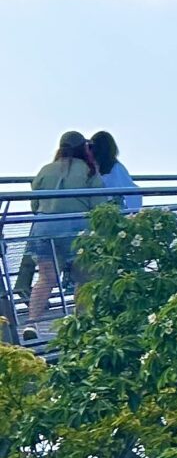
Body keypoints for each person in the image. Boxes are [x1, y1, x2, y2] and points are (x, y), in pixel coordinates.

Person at [17, 131, 99, 323]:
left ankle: (32, 323)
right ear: (83, 148)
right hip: (77, 231)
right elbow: (98, 204)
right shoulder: (89, 170)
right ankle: (81, 323)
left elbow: (35, 205)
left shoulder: (45, 169)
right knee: (84, 279)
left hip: (43, 229)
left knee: (46, 279)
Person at [87, 130, 141, 214]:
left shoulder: (116, 169)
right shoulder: (89, 167)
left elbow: (133, 193)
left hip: (111, 214)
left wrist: (131, 215)